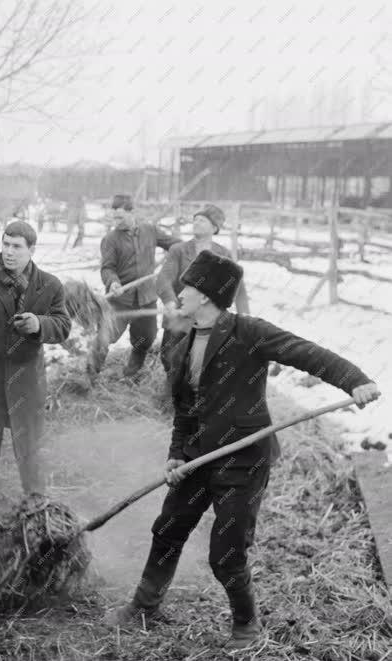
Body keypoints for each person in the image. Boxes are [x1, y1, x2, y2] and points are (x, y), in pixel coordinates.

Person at [104, 250, 380, 650]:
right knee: (167, 529)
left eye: (188, 286)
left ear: (206, 294)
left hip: (243, 460)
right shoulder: (180, 342)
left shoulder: (248, 332)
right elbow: (185, 409)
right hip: (199, 457)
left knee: (226, 552)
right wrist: (177, 454)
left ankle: (247, 627)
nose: (179, 292)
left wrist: (355, 380)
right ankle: (145, 604)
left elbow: (307, 353)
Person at [0, 220, 71, 530]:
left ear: (31, 250)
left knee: (29, 451)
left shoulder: (49, 285)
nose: (8, 252)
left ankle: (36, 514)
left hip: (25, 383)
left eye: (16, 246)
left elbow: (62, 326)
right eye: (5, 244)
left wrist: (39, 325)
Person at [88, 193, 180, 380]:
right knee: (104, 339)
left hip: (146, 298)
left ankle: (131, 374)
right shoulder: (110, 239)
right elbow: (107, 268)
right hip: (119, 300)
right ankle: (88, 378)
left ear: (133, 212)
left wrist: (187, 251)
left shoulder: (150, 231)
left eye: (120, 216)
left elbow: (175, 246)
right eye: (114, 217)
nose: (116, 221)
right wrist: (113, 282)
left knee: (145, 338)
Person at [157, 204, 250, 388]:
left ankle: (195, 398)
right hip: (180, 315)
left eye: (202, 220)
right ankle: (173, 393)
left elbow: (238, 286)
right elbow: (163, 279)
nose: (196, 222)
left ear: (214, 228)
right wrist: (170, 303)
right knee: (169, 357)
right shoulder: (179, 250)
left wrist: (244, 315)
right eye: (195, 219)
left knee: (203, 361)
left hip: (209, 319)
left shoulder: (223, 254)